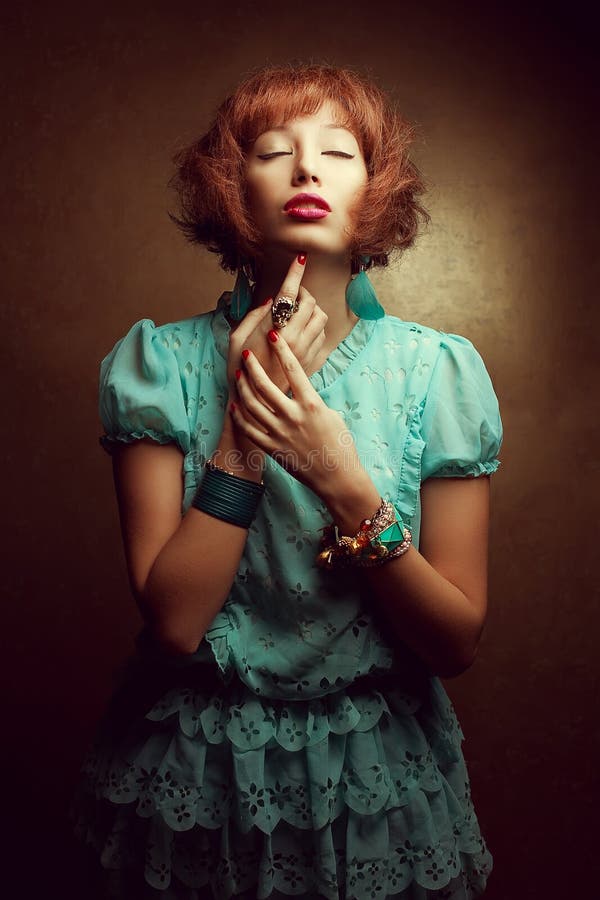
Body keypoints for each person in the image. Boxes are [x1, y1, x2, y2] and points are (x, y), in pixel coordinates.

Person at [72, 63, 502, 900]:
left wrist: (341, 477)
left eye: (337, 152)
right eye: (276, 151)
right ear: (233, 189)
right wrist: (244, 439)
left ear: (375, 191)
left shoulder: (437, 373)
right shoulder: (159, 365)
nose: (307, 169)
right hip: (198, 769)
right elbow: (175, 626)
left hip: (379, 770)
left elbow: (456, 643)